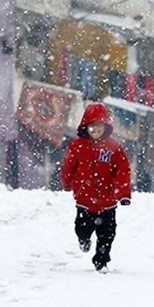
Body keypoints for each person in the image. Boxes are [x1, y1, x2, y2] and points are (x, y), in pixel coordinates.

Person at [60, 102, 132, 272]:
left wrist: (123, 194)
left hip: (108, 202)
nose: (95, 130)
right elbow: (68, 166)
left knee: (107, 234)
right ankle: (84, 239)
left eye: (99, 127)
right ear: (86, 127)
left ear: (105, 127)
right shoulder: (76, 146)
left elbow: (122, 171)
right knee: (82, 228)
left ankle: (101, 261)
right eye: (92, 127)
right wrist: (67, 183)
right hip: (84, 199)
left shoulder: (114, 148)